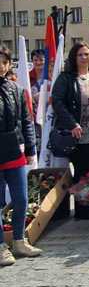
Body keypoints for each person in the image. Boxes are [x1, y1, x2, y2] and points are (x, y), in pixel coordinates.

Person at [51, 42, 89, 221]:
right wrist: (72, 124)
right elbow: (58, 102)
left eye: (87, 54)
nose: (84, 58)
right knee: (82, 171)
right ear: (74, 58)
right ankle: (83, 209)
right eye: (80, 55)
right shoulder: (66, 78)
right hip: (78, 133)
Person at [0, 46, 40, 266]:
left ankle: (18, 240)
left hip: (15, 150)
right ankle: (0, 247)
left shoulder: (16, 89)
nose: (0, 65)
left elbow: (26, 121)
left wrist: (32, 149)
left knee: (21, 199)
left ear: (8, 65)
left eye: (4, 61)